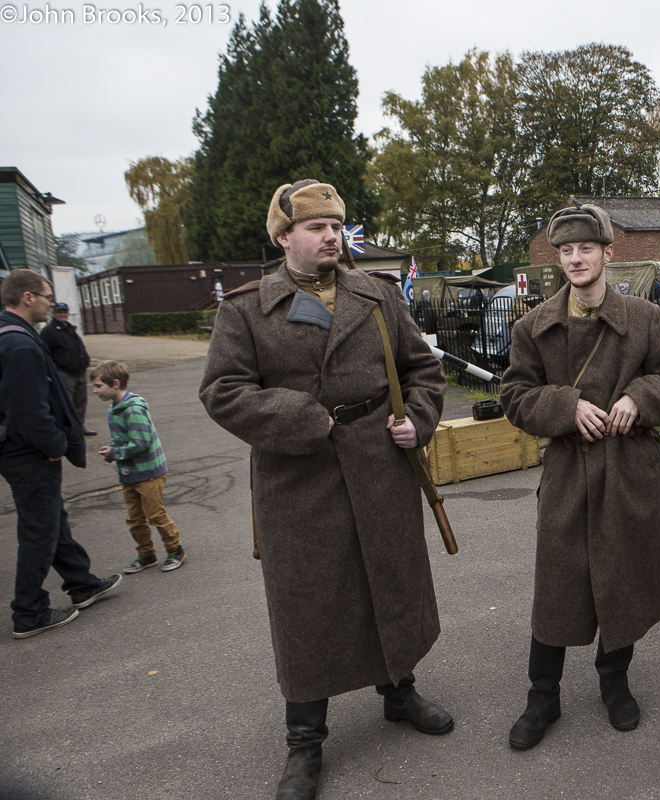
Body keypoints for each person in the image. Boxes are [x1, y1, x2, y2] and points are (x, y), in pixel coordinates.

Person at [199, 180, 452, 800]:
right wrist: (307, 420)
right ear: (284, 237)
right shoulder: (245, 307)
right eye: (317, 228)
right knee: (308, 603)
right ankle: (304, 742)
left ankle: (399, 692)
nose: (332, 237)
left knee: (389, 578)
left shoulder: (377, 295)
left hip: (379, 465)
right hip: (297, 478)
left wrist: (417, 419)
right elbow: (223, 391)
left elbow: (423, 368)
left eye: (336, 226)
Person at [500, 203, 660, 750]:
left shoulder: (644, 318)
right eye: (566, 251)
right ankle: (543, 695)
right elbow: (514, 396)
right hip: (567, 471)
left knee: (622, 580)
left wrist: (640, 395)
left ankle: (615, 681)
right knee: (557, 588)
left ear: (608, 254)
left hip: (630, 469)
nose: (576, 259)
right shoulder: (532, 326)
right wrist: (567, 408)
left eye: (586, 248)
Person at [1, 270, 120, 639]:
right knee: (39, 527)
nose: (52, 302)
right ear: (27, 297)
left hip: (20, 449)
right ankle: (29, 611)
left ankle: (81, 583)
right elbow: (30, 410)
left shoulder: (11, 334)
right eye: (47, 296)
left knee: (52, 517)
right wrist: (53, 447)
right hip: (29, 453)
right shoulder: (19, 345)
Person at [92, 360, 186, 574]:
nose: (95, 391)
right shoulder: (113, 409)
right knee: (134, 518)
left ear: (115, 383)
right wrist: (111, 450)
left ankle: (175, 549)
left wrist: (116, 453)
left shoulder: (133, 410)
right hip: (129, 474)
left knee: (155, 514)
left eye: (98, 386)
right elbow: (119, 437)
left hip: (149, 473)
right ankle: (146, 554)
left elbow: (141, 443)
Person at [40, 301, 95, 436]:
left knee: (80, 402)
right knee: (66, 403)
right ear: (54, 313)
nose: (63, 314)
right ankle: (67, 430)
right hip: (64, 373)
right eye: (59, 312)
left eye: (65, 312)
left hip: (80, 372)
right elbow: (45, 353)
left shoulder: (70, 328)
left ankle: (79, 427)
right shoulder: (48, 331)